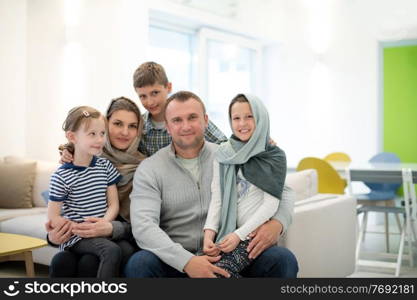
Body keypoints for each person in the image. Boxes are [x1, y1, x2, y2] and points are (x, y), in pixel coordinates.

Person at [125, 91, 298, 278]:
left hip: (228, 254)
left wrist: (277, 223)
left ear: (206, 120)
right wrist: (187, 261)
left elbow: (284, 191)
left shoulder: (230, 155)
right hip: (175, 261)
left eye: (192, 117)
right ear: (167, 126)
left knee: (282, 258)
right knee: (139, 264)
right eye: (177, 120)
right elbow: (143, 226)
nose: (186, 126)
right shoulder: (150, 168)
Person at [47, 97, 145, 277]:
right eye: (117, 123)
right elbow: (57, 215)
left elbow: (145, 221)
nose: (125, 132)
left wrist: (108, 226)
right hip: (81, 234)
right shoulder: (87, 158)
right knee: (62, 260)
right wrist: (54, 235)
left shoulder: (145, 165)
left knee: (93, 260)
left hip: (124, 233)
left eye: (132, 126)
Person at [203, 94, 287, 278]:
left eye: (249, 116)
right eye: (236, 118)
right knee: (207, 271)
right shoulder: (224, 153)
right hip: (227, 234)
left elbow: (270, 205)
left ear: (261, 118)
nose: (242, 124)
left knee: (219, 274)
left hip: (252, 236)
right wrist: (209, 235)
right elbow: (217, 198)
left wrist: (238, 236)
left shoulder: (274, 156)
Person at [132, 61, 227, 156]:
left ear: (169, 87)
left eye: (155, 93)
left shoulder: (188, 114)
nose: (150, 102)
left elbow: (223, 144)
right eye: (143, 96)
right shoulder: (140, 126)